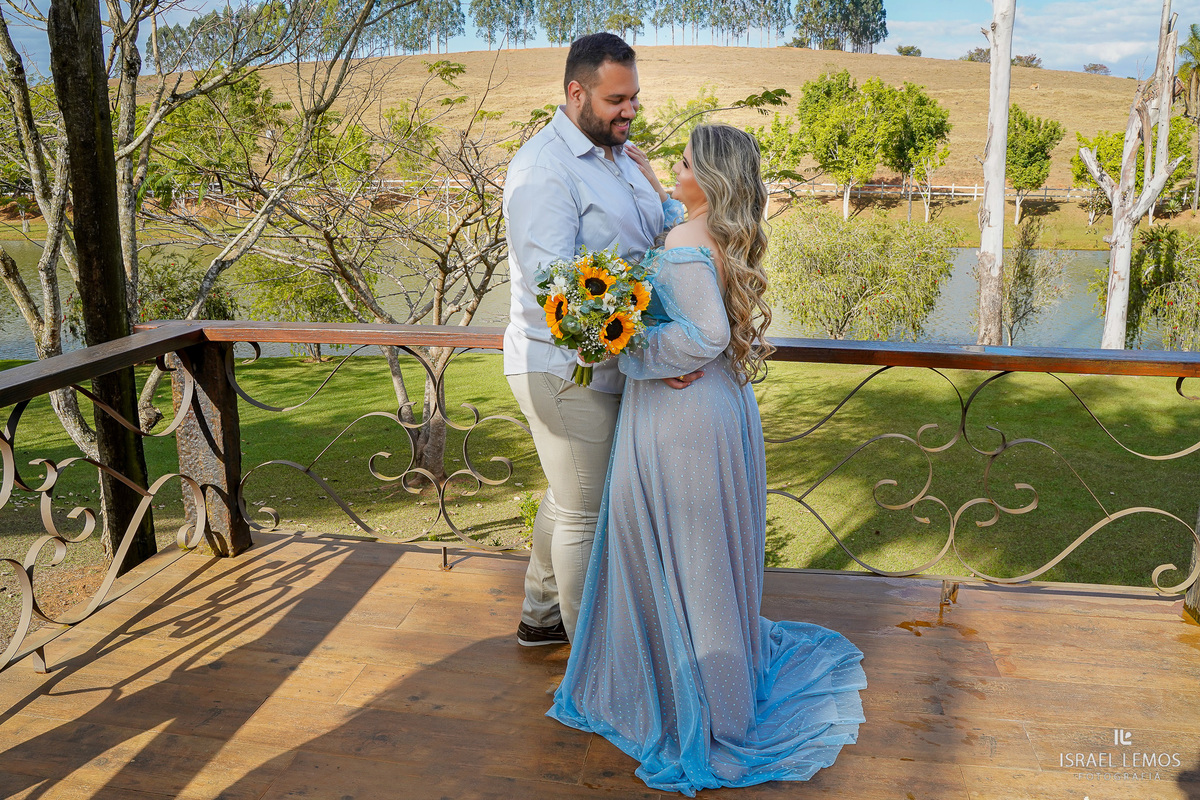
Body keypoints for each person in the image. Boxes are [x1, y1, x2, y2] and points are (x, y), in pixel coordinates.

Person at [548, 124, 868, 795]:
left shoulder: (684, 242)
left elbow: (705, 333)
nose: (677, 166)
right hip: (723, 407)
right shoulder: (711, 232)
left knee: (685, 551)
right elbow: (697, 282)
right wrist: (664, 193)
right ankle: (719, 683)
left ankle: (699, 704)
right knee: (705, 554)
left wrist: (623, 347)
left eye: (686, 162)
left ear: (711, 179)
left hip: (681, 418)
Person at [502, 32, 692, 647]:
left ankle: (540, 614)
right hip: (564, 366)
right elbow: (554, 290)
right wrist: (653, 355)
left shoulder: (621, 157)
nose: (630, 111)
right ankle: (594, 661)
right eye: (617, 99)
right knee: (587, 509)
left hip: (610, 363)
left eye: (634, 97)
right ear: (576, 93)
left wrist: (661, 187)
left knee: (569, 492)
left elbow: (659, 234)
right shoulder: (542, 170)